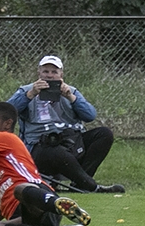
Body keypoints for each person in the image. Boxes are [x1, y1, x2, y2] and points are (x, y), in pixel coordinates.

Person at [8, 55, 124, 193]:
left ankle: (80, 184)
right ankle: (91, 186)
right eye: (46, 71)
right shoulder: (26, 90)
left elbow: (90, 115)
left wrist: (70, 97)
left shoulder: (71, 91)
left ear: (61, 74)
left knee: (104, 134)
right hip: (40, 147)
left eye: (54, 72)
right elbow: (7, 111)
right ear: (39, 73)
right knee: (54, 150)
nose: (49, 76)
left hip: (69, 141)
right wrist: (30, 94)